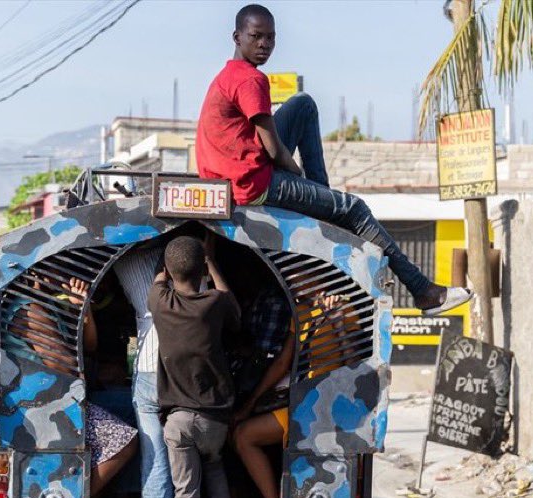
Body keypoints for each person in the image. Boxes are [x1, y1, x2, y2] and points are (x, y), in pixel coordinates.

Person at [196, 4, 472, 317]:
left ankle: (323, 206)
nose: (265, 45)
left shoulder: (229, 75)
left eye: (271, 38)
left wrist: (311, 189)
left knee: (303, 104)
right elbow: (274, 151)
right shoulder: (250, 80)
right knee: (353, 208)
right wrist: (295, 174)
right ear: (237, 36)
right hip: (251, 184)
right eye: (256, 37)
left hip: (231, 174)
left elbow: (264, 139)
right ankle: (422, 291)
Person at [148, 234, 246, 498]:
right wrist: (212, 263)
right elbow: (231, 303)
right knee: (216, 470)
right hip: (215, 421)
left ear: (171, 273)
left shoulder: (160, 301)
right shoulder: (216, 304)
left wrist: (169, 264)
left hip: (177, 422)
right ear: (202, 269)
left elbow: (159, 279)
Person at [232, 290, 352, 498]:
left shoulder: (345, 309)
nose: (295, 286)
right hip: (302, 404)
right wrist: (251, 403)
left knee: (246, 437)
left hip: (328, 408)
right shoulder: (302, 312)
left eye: (299, 280)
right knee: (243, 434)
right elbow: (284, 362)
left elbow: (355, 364)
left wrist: (338, 323)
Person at [13, 276, 138, 498]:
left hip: (65, 398)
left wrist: (84, 308)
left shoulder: (46, 304)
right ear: (35, 275)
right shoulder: (29, 310)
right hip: (50, 407)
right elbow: (66, 368)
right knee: (125, 441)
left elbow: (90, 346)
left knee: (135, 406)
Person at [113, 243, 189, 498]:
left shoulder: (125, 246)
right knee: (190, 471)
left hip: (149, 370)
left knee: (157, 469)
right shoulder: (198, 253)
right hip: (191, 373)